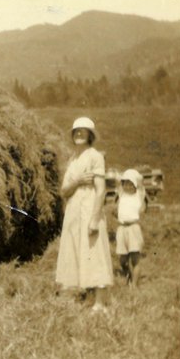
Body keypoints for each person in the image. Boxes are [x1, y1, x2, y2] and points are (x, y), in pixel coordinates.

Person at [54, 117, 114, 312]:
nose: (79, 133)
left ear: (90, 135)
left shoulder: (95, 156)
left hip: (89, 209)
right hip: (73, 210)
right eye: (76, 130)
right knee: (76, 251)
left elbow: (100, 190)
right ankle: (83, 295)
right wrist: (78, 180)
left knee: (94, 251)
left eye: (83, 130)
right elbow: (64, 191)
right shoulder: (73, 160)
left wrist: (95, 218)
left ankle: (100, 302)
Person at [115, 168, 147, 287]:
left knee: (135, 259)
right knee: (122, 260)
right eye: (126, 183)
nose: (128, 186)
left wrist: (136, 177)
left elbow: (141, 184)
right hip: (122, 229)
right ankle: (128, 275)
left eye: (131, 184)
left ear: (135, 185)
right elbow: (118, 181)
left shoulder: (138, 195)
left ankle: (134, 284)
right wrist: (124, 176)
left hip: (133, 228)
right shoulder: (121, 195)